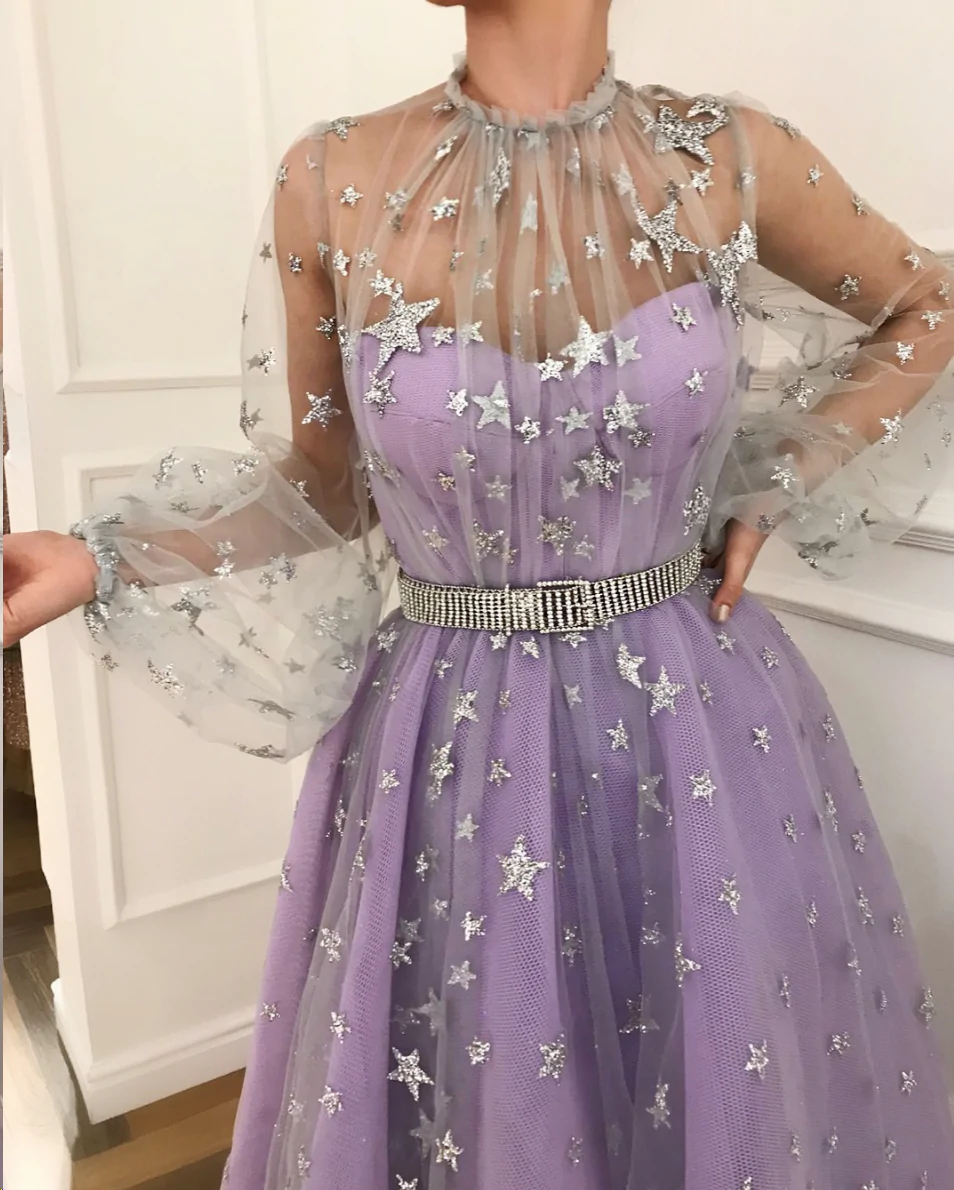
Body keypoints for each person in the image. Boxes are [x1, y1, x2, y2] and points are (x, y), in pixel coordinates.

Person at [4, 0, 954, 1185]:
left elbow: (929, 305)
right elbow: (321, 489)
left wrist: (776, 480)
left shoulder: (730, 157)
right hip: (447, 741)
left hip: (693, 729)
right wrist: (105, 555)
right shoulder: (332, 179)